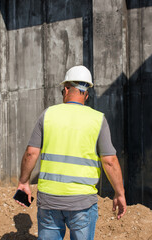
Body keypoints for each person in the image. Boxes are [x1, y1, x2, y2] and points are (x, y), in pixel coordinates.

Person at [15, 65, 126, 240]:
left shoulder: (48, 115)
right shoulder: (98, 120)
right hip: (82, 202)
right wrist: (119, 193)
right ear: (86, 94)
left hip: (49, 201)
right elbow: (110, 161)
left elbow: (31, 153)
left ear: (66, 89)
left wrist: (23, 182)